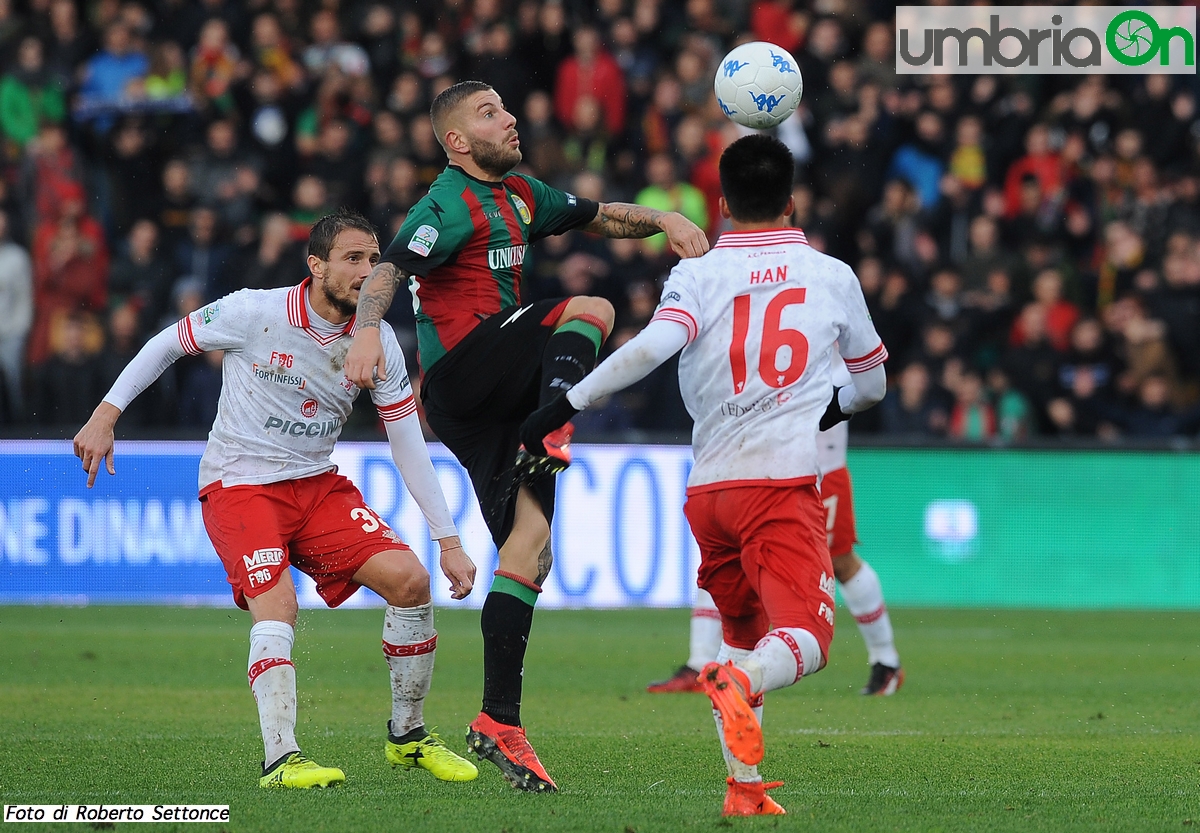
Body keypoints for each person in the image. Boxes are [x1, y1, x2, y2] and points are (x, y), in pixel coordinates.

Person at [342, 80, 709, 793]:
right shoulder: (444, 204)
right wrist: (363, 332)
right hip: (461, 375)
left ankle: (497, 721)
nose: (509, 118)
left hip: (493, 400)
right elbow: (389, 267)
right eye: (489, 114)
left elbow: (602, 216)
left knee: (530, 550)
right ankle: (554, 422)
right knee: (591, 307)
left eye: (507, 107)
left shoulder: (522, 194)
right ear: (456, 141)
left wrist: (664, 215)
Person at [518, 134, 888, 816]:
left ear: (720, 204)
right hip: (779, 487)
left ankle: (743, 787)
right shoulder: (831, 275)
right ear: (794, 202)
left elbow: (655, 346)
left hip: (709, 490)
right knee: (808, 639)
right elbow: (872, 386)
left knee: (740, 634)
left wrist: (566, 401)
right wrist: (823, 411)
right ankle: (741, 684)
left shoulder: (698, 270)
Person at [73, 210, 481, 789]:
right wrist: (106, 413)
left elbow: (407, 441)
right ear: (315, 265)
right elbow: (168, 343)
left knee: (411, 582)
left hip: (316, 486)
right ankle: (280, 759)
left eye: (374, 260)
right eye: (353, 259)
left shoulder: (378, 338)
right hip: (239, 485)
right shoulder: (254, 311)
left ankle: (408, 738)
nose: (369, 272)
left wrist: (449, 539)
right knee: (280, 606)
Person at [647, 357, 904, 698]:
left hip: (816, 474)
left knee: (839, 561)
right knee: (723, 560)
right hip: (759, 472)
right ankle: (700, 663)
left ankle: (885, 660)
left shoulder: (828, 328)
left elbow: (858, 380)